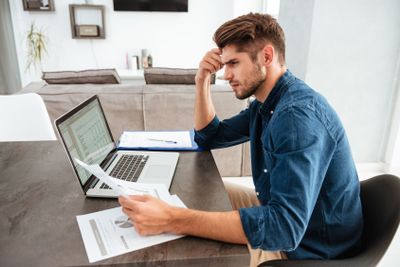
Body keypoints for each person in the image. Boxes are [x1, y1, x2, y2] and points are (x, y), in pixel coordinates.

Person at [119, 13, 363, 266]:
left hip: (310, 250)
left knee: (189, 240)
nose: (225, 75)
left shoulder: (296, 118)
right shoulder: (267, 102)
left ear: (266, 57)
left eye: (234, 63)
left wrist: (173, 218)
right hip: (282, 212)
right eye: (224, 65)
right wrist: (202, 79)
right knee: (198, 193)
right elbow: (209, 136)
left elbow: (284, 230)